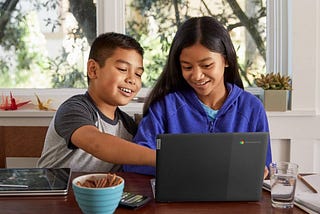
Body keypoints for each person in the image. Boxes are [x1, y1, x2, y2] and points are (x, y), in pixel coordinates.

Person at [123, 16, 272, 177]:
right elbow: (133, 164)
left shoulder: (252, 107)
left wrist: (260, 171)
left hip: (234, 201)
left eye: (207, 65)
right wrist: (189, 167)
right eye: (187, 67)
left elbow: (265, 167)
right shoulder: (165, 107)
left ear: (226, 60)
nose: (197, 76)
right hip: (176, 200)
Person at [37, 32, 156, 172]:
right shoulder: (74, 109)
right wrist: (159, 158)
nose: (132, 79)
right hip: (54, 192)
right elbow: (96, 143)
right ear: (93, 70)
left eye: (138, 74)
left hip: (97, 193)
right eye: (123, 69)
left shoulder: (128, 127)